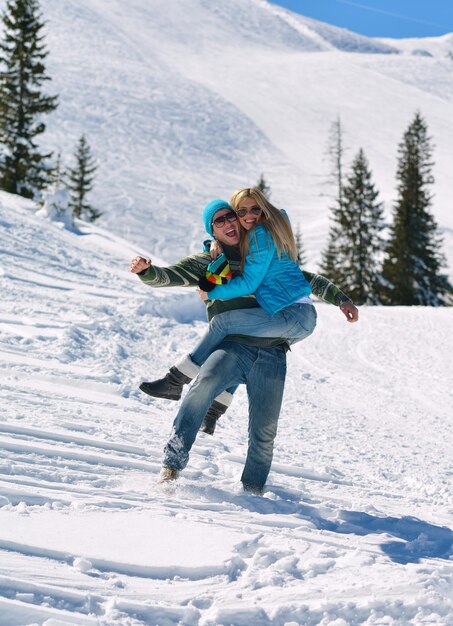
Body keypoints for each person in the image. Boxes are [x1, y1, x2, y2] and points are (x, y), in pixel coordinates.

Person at [131, 194, 359, 493]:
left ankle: (253, 491)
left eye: (231, 216)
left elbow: (306, 279)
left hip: (272, 352)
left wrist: (341, 299)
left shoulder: (260, 255)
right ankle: (171, 468)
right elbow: (168, 276)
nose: (228, 222)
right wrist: (147, 272)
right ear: (211, 231)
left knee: (265, 430)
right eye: (219, 220)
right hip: (231, 348)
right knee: (199, 393)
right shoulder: (207, 263)